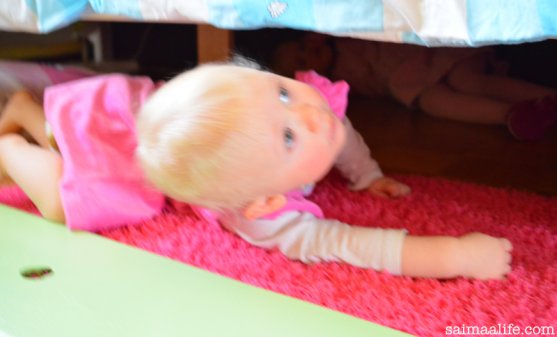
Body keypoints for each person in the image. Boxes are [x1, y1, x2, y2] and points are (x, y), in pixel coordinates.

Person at [0, 60, 512, 280]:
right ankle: (11, 144)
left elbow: (342, 132)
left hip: (153, 116)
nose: (309, 113)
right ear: (265, 202)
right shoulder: (262, 216)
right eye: (288, 135)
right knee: (63, 202)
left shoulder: (316, 118)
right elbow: (349, 244)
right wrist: (456, 255)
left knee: (80, 138)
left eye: (284, 92)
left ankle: (29, 112)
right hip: (135, 154)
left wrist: (366, 175)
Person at [270, 33, 557, 141]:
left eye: (302, 47)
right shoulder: (334, 85)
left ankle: (545, 99)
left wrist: (318, 34)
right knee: (431, 102)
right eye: (302, 62)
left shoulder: (340, 35)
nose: (308, 54)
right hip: (412, 83)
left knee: (467, 80)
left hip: (431, 54)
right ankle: (513, 115)